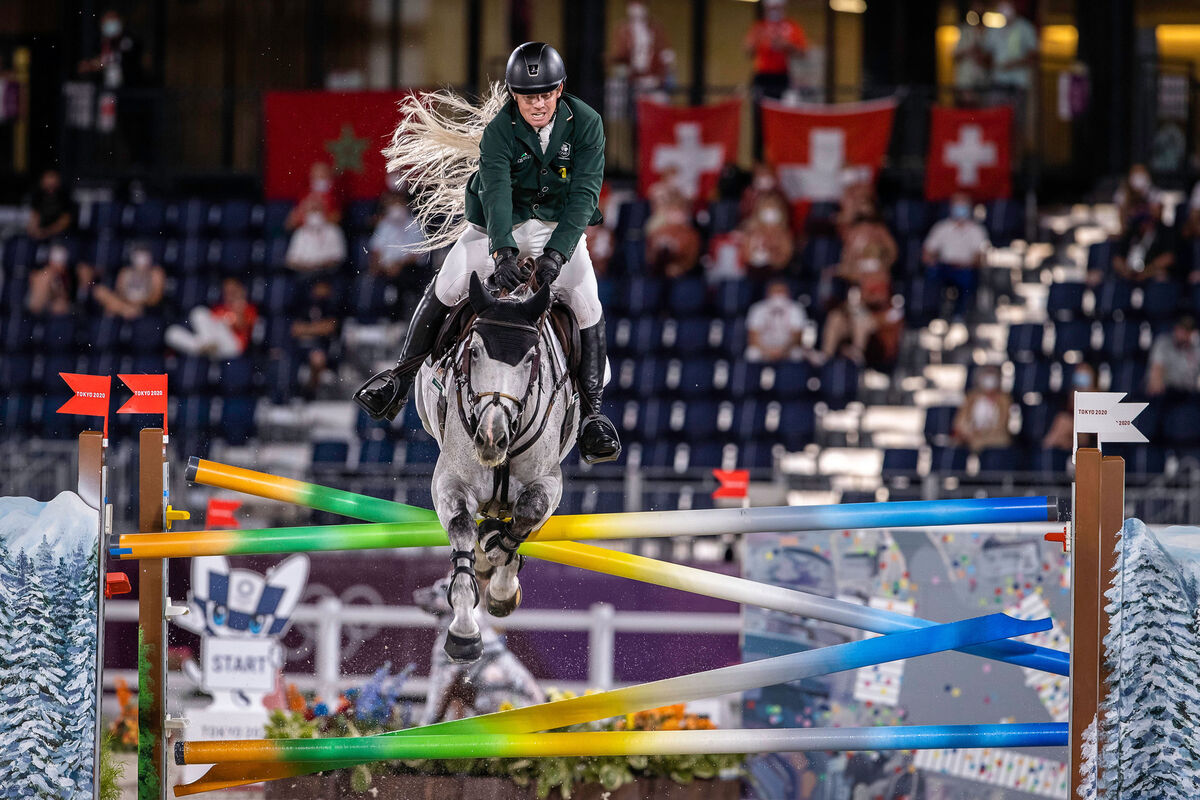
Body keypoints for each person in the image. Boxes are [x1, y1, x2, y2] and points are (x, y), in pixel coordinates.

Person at [354, 42, 621, 464]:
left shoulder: (586, 123)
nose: (537, 104)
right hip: (498, 225)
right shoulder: (500, 130)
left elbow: (585, 195)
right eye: (528, 95)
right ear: (515, 95)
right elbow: (496, 195)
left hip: (560, 227)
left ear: (560, 89)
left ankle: (593, 418)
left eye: (545, 94)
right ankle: (399, 383)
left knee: (587, 304)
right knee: (448, 283)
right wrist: (503, 254)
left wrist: (556, 254)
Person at [745, 0, 807, 156]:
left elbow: (802, 51)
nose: (775, 11)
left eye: (777, 7)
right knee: (760, 124)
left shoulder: (791, 27)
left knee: (783, 122)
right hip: (763, 78)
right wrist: (760, 39)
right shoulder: (760, 27)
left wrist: (786, 45)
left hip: (783, 78)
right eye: (772, 8)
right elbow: (748, 50)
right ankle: (759, 163)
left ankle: (782, 158)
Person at [922, 192, 990, 319]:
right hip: (944, 267)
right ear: (951, 207)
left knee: (968, 279)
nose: (960, 209)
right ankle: (933, 313)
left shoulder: (977, 230)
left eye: (963, 205)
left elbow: (980, 256)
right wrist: (932, 261)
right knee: (931, 274)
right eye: (957, 205)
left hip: (966, 268)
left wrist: (969, 264)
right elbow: (928, 252)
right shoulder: (941, 227)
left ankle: (960, 315)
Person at [984, 1, 1038, 150]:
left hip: (1017, 85)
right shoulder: (994, 30)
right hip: (998, 84)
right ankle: (997, 158)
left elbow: (1033, 56)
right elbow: (987, 54)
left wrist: (1014, 64)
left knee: (1017, 124)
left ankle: (1015, 165)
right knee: (995, 121)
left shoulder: (1025, 28)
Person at [165, 278, 258, 359]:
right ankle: (205, 347)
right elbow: (206, 326)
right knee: (173, 332)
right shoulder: (219, 308)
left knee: (220, 325)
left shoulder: (248, 308)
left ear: (240, 290)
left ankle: (203, 347)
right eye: (227, 292)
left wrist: (238, 308)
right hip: (214, 346)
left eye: (233, 291)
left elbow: (242, 325)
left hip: (232, 347)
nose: (230, 294)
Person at [608, 1, 674, 96]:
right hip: (631, 81)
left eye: (640, 5)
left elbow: (666, 55)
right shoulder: (623, 29)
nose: (636, 8)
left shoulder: (655, 28)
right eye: (633, 5)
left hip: (653, 81)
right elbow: (619, 55)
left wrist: (661, 76)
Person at [1107, 202, 1175, 285]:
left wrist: (1146, 272)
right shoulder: (1132, 232)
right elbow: (1117, 258)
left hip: (1151, 275)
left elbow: (1168, 258)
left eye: (1148, 220)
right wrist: (1126, 272)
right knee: (1114, 282)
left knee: (1161, 278)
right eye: (1143, 221)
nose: (1145, 225)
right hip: (1128, 275)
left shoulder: (1164, 232)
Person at [92, 242, 165, 319]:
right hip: (126, 304)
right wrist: (127, 305)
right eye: (138, 256)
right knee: (99, 291)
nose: (141, 260)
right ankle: (125, 311)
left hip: (144, 308)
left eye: (144, 256)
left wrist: (138, 302)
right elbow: (120, 293)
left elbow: (155, 299)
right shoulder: (125, 272)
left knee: (111, 307)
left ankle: (124, 311)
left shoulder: (156, 273)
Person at [368, 189, 426, 283]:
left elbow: (418, 254)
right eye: (393, 203)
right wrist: (379, 267)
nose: (396, 207)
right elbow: (376, 250)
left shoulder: (415, 225)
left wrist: (400, 264)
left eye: (399, 202)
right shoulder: (384, 224)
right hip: (384, 270)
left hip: (407, 269)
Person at [953, 365, 1012, 452]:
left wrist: (984, 435)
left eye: (992, 375)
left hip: (994, 438)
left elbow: (1003, 426)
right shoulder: (971, 397)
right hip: (972, 436)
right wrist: (969, 433)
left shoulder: (1004, 399)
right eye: (987, 375)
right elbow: (961, 422)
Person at [746, 280, 807, 362]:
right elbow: (753, 337)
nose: (778, 295)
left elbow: (797, 337)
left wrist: (782, 351)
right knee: (752, 353)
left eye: (781, 291)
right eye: (775, 291)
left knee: (796, 353)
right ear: (768, 293)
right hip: (764, 348)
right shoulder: (758, 308)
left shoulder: (796, 309)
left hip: (787, 348)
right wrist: (768, 352)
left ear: (788, 293)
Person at [285, 196, 347, 274]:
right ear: (305, 212)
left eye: (317, 209)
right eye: (312, 210)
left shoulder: (333, 230)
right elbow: (291, 261)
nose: (314, 214)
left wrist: (319, 266)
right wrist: (309, 267)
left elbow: (338, 258)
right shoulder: (300, 233)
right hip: (305, 274)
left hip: (327, 273)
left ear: (324, 211)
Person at [1042, 363, 1096, 451]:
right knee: (1063, 421)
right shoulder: (1071, 395)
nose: (1081, 383)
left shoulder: (1098, 397)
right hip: (1072, 433)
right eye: (1078, 378)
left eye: (1085, 378)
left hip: (1090, 438)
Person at [1147, 317, 1200, 397]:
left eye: (1188, 331)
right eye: (1182, 329)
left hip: (1189, 395)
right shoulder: (1163, 343)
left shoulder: (1196, 348)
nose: (1183, 334)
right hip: (1166, 394)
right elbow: (1156, 372)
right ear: (1176, 329)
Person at [952, 1, 990, 104]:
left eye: (980, 7)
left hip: (982, 80)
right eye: (975, 7)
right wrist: (968, 50)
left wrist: (982, 56)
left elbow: (991, 59)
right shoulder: (965, 30)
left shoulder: (990, 32)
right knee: (967, 108)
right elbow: (955, 55)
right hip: (966, 80)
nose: (978, 10)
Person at [286, 162, 342, 229]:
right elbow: (290, 224)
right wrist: (304, 210)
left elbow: (337, 218)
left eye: (323, 176)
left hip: (327, 232)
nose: (320, 179)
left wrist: (321, 210)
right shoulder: (305, 195)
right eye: (317, 176)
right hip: (307, 232)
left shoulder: (335, 196)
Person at [26, 242, 75, 316]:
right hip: (34, 311)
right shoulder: (42, 275)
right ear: (50, 262)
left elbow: (63, 300)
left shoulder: (63, 277)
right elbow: (35, 306)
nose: (62, 268)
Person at [26, 169, 74, 241]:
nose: (50, 188)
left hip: (62, 235)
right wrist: (33, 230)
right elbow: (35, 217)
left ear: (58, 182)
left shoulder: (64, 196)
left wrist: (47, 232)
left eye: (52, 185)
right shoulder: (38, 196)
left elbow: (65, 222)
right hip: (43, 232)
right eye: (48, 185)